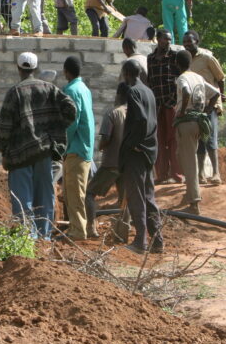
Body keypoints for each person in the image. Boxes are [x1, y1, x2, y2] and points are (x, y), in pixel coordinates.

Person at [0, 52, 76, 238]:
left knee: (22, 199)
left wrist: (4, 152)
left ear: (19, 68)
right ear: (35, 68)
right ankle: (44, 237)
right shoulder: (49, 88)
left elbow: (5, 126)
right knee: (44, 196)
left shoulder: (14, 92)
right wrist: (56, 130)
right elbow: (71, 109)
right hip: (44, 153)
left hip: (20, 155)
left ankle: (27, 239)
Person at [119, 60, 163, 255]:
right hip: (150, 151)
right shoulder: (149, 91)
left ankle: (140, 241)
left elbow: (141, 119)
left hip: (137, 153)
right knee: (148, 196)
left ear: (127, 73)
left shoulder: (133, 92)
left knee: (136, 196)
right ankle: (157, 241)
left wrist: (133, 144)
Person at [174, 50, 220, 215]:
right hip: (198, 122)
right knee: (182, 155)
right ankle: (190, 193)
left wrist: (181, 112)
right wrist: (206, 111)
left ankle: (194, 203)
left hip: (186, 122)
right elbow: (216, 93)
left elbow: (186, 92)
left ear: (177, 64)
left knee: (189, 161)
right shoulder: (198, 77)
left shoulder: (182, 78)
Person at [84, 84, 128, 238]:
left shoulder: (112, 113)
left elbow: (106, 138)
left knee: (89, 193)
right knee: (124, 199)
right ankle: (122, 232)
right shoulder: (134, 113)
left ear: (118, 95)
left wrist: (101, 146)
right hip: (126, 164)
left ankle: (91, 228)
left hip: (111, 163)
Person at [183, 31, 226, 185]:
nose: (187, 44)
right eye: (185, 42)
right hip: (195, 105)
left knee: (210, 138)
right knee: (200, 140)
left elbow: (220, 78)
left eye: (190, 41)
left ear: (197, 41)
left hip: (210, 103)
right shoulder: (186, 59)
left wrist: (221, 97)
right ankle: (201, 174)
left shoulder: (207, 57)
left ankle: (216, 173)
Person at [61, 56, 95, 241]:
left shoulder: (71, 90)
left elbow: (71, 121)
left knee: (74, 194)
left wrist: (63, 144)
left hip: (76, 148)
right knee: (76, 192)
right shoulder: (84, 89)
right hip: (85, 147)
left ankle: (78, 231)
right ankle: (80, 228)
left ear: (66, 71)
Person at [147, 30, 183, 184]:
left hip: (171, 104)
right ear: (158, 39)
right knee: (159, 140)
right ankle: (162, 174)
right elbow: (150, 81)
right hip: (157, 104)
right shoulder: (150, 59)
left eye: (169, 39)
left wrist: (174, 100)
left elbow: (180, 79)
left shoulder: (175, 56)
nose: (167, 42)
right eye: (165, 39)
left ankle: (176, 174)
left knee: (173, 139)